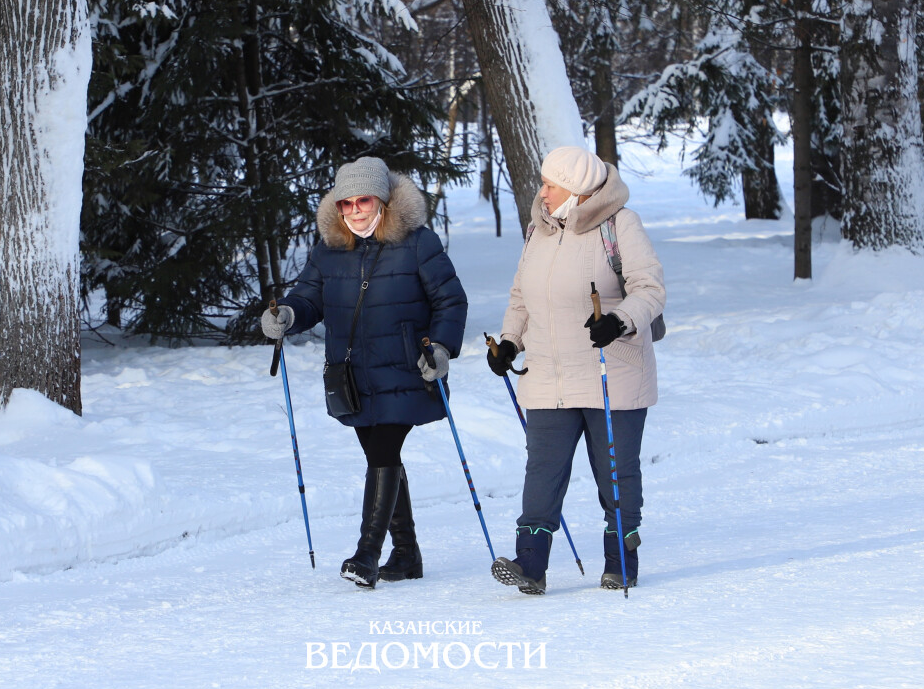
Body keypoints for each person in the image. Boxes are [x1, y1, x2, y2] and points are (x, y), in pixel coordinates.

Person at [260, 156, 467, 588]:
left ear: (383, 200)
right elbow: (308, 298)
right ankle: (407, 554)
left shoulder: (417, 243)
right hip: (352, 375)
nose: (355, 211)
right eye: (346, 203)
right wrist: (287, 316)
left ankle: (367, 553)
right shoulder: (329, 248)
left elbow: (450, 301)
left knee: (383, 451)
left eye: (363, 201)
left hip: (408, 369)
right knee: (380, 455)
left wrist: (442, 349)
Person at [487, 146, 664, 594]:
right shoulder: (538, 231)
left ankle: (621, 561)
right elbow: (521, 298)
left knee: (616, 474)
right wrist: (509, 342)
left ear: (578, 189)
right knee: (542, 472)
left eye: (550, 185)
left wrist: (619, 321)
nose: (541, 193)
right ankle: (530, 565)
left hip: (613, 372)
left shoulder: (621, 223)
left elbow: (650, 289)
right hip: (548, 372)